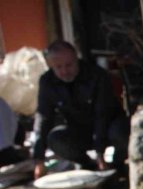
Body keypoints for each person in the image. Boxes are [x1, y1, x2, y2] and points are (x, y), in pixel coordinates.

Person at [32, 40, 129, 179]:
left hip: (108, 126)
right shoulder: (47, 81)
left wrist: (100, 153)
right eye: (59, 67)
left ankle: (117, 165)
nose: (65, 71)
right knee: (55, 138)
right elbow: (43, 118)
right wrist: (39, 160)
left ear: (76, 59)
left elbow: (101, 114)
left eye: (69, 65)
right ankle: (87, 164)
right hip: (78, 128)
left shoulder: (97, 76)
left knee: (120, 132)